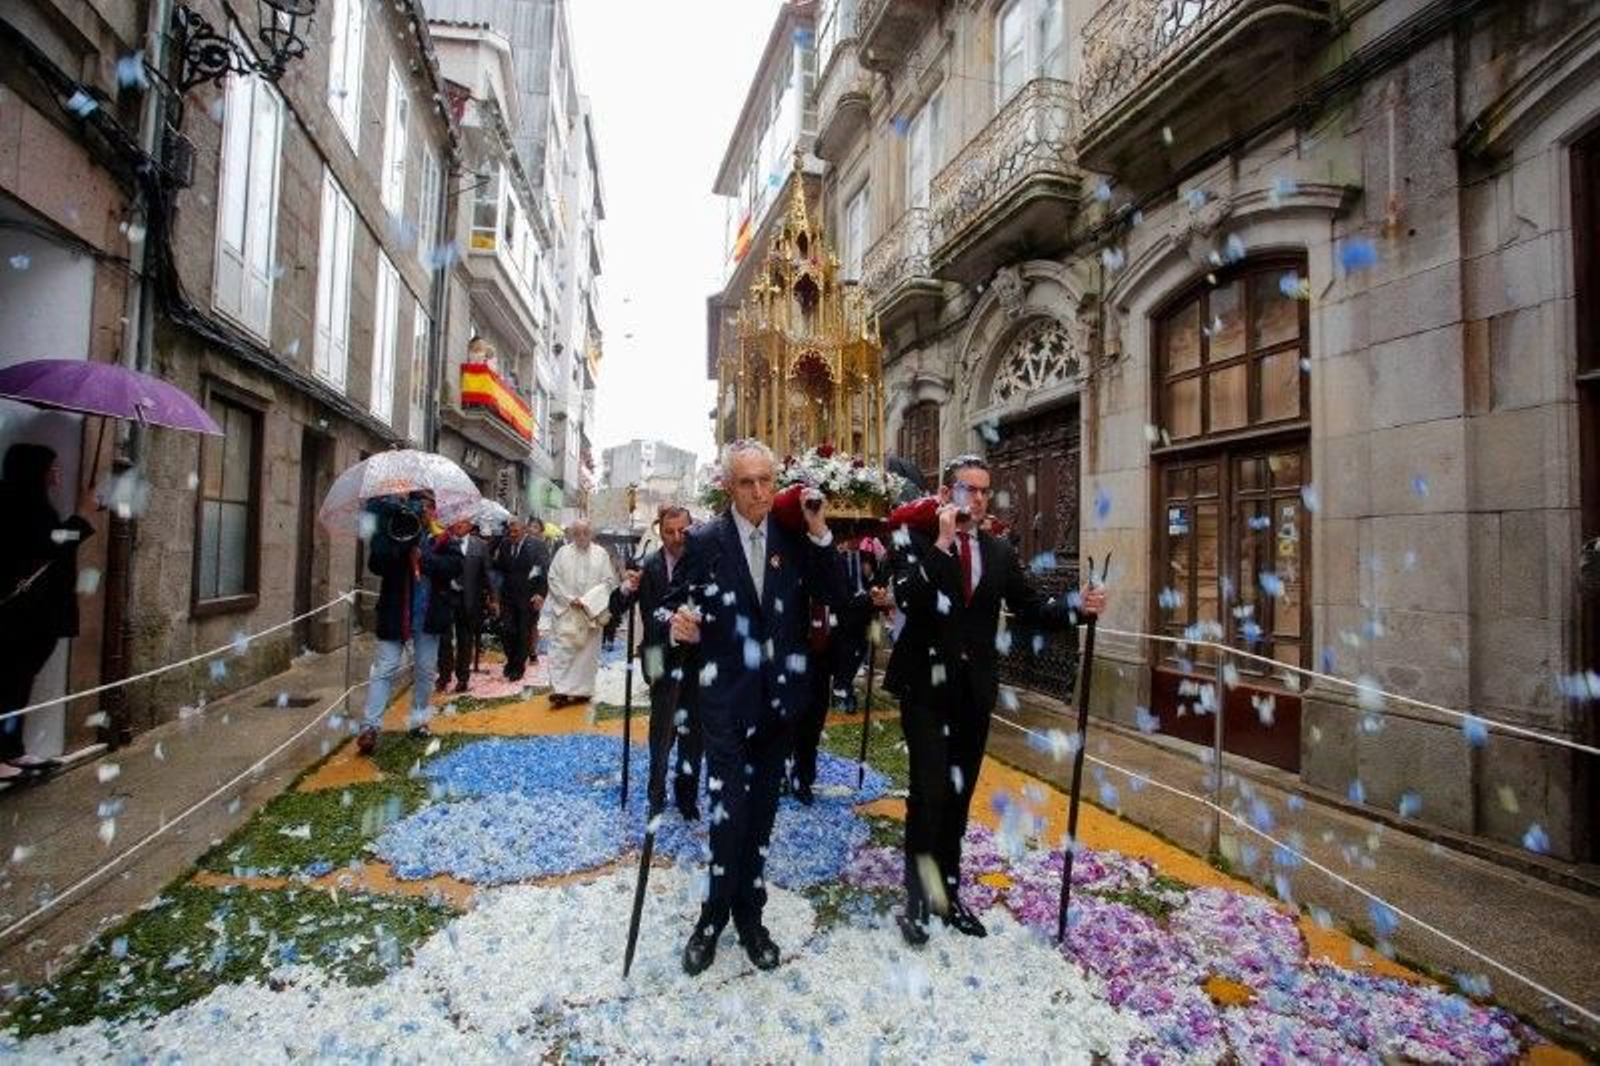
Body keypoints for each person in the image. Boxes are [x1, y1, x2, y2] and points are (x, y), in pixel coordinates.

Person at [884, 454, 1107, 947]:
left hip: (973, 691)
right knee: (929, 794)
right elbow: (910, 600)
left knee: (959, 797)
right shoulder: (912, 539)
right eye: (968, 489)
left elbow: (1031, 607)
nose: (979, 499)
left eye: (985, 490)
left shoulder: (999, 551)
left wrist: (1079, 606)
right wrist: (942, 543)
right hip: (924, 688)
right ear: (946, 494)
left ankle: (948, 891)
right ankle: (918, 903)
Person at [666, 440, 843, 975]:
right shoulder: (703, 541)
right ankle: (711, 918)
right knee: (728, 817)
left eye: (767, 480)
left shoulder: (793, 536)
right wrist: (678, 623)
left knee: (762, 819)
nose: (760, 491)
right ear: (729, 487)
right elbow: (672, 601)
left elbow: (834, 591)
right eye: (747, 482)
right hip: (724, 705)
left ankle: (751, 917)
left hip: (778, 705)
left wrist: (820, 534)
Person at [0, 444, 96, 782]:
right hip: (20, 615)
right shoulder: (15, 505)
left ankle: (13, 749)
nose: (56, 473)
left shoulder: (36, 505)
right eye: (50, 467)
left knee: (21, 680)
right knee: (9, 680)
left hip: (37, 614)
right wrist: (82, 516)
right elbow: (48, 546)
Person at [612, 504, 702, 820]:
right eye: (669, 532)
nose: (677, 538)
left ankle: (687, 796)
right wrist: (626, 588)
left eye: (683, 531)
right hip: (655, 655)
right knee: (660, 729)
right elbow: (618, 606)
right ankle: (656, 792)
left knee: (693, 731)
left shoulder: (703, 563)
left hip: (694, 659)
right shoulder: (648, 565)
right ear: (659, 532)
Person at [356, 491, 462, 756]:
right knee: (385, 668)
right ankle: (370, 727)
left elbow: (455, 566)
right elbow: (376, 564)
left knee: (425, 671)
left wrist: (424, 560)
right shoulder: (393, 526)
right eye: (420, 505)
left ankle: (418, 721)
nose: (424, 510)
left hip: (428, 616)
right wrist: (401, 545)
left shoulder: (442, 536)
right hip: (395, 613)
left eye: (428, 506)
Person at [545, 518, 617, 707]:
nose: (582, 537)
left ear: (591, 534)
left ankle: (582, 691)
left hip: (590, 612)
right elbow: (553, 579)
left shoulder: (601, 554)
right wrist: (569, 599)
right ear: (571, 534)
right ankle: (560, 690)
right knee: (562, 651)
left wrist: (587, 601)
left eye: (585, 532)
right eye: (577, 533)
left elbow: (608, 582)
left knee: (586, 654)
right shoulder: (562, 553)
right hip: (567, 611)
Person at [435, 516, 490, 695]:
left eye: (464, 522)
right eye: (457, 521)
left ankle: (463, 678)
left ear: (470, 525)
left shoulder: (480, 545)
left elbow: (486, 574)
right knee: (444, 639)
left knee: (465, 639)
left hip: (469, 600)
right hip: (445, 597)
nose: (459, 524)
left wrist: (492, 598)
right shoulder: (443, 541)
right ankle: (444, 676)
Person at [491, 516, 548, 683]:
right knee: (507, 630)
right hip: (508, 597)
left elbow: (543, 571)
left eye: (516, 531)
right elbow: (497, 566)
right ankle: (511, 660)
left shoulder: (537, 546)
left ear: (525, 530)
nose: (513, 534)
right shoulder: (505, 544)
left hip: (528, 596)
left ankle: (518, 667)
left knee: (523, 632)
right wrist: (494, 541)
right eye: (510, 531)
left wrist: (540, 594)